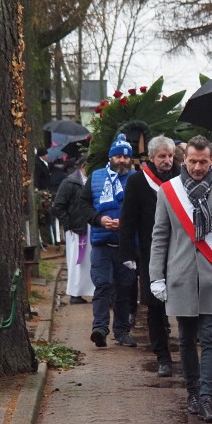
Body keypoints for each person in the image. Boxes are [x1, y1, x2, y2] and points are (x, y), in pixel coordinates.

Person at [150, 135, 212, 423]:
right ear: (184, 160)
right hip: (181, 275)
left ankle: (208, 398)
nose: (198, 167)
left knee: (209, 338)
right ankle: (193, 394)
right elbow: (160, 236)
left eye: (203, 162)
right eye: (193, 161)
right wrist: (155, 277)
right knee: (185, 339)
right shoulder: (168, 191)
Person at [119, 135, 180, 377]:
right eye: (162, 157)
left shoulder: (181, 178)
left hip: (179, 252)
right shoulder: (138, 181)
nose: (167, 161)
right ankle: (162, 357)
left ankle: (186, 348)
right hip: (150, 253)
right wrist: (127, 252)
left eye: (170, 156)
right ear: (152, 158)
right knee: (155, 307)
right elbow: (128, 219)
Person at [79, 134, 137, 348]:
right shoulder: (96, 177)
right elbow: (83, 205)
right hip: (102, 243)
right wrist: (99, 219)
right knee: (103, 285)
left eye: (125, 156)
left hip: (127, 245)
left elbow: (143, 209)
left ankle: (121, 331)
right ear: (111, 157)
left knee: (124, 289)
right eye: (118, 156)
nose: (121, 160)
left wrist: (125, 223)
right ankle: (100, 328)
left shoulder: (136, 179)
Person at [51, 154, 95, 304]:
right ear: (83, 166)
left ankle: (95, 290)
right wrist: (68, 224)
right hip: (76, 228)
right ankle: (76, 293)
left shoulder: (93, 181)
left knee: (93, 260)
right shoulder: (70, 182)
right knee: (78, 262)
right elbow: (58, 205)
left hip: (92, 225)